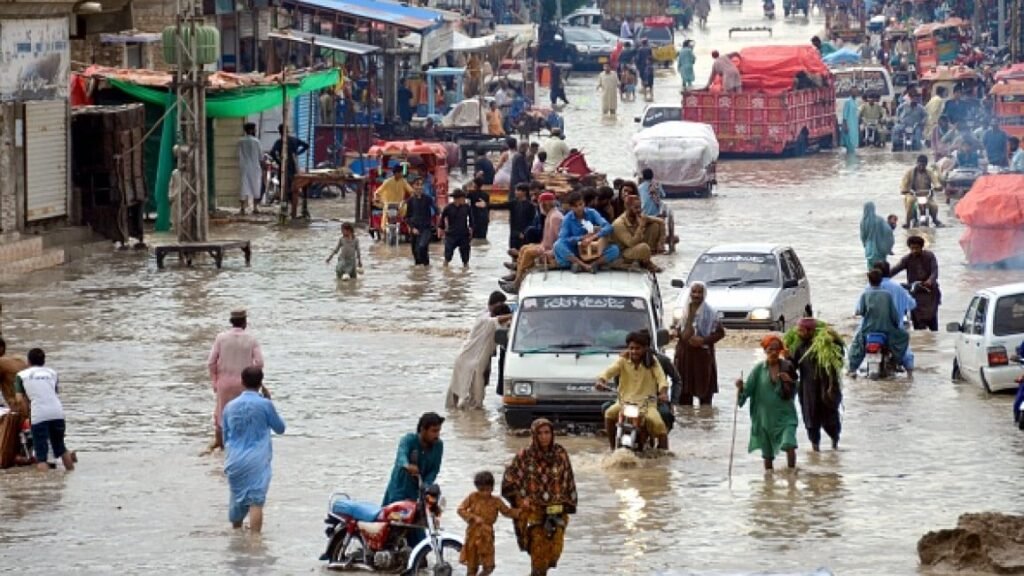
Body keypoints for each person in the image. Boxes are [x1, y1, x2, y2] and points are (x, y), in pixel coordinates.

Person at [501, 418, 577, 576]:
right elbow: (508, 482)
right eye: (540, 433)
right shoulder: (525, 455)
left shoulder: (560, 453)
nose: (544, 437)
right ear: (534, 435)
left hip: (557, 511)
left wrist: (568, 502)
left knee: (553, 555)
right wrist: (522, 499)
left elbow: (568, 478)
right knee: (539, 559)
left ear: (552, 434)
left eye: (547, 432)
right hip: (535, 514)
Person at [222, 367, 284, 532]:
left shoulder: (229, 407)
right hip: (257, 461)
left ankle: (237, 538)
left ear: (242, 382)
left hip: (234, 460)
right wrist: (270, 402)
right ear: (260, 383)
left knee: (237, 501)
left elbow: (225, 436)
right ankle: (255, 543)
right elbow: (280, 428)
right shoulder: (265, 404)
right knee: (256, 502)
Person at [596, 330, 670, 450]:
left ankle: (664, 453)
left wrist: (663, 392)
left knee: (658, 424)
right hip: (624, 402)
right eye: (631, 348)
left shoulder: (652, 362)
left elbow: (661, 379)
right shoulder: (622, 360)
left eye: (638, 348)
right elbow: (610, 371)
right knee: (609, 414)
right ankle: (612, 448)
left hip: (647, 405)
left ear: (645, 348)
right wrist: (601, 380)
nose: (634, 351)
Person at [734, 335, 799, 472]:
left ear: (781, 351)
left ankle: (792, 478)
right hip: (764, 419)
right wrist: (740, 387)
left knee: (790, 443)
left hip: (786, 416)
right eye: (770, 349)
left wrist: (789, 381)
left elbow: (798, 388)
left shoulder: (787, 367)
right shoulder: (758, 370)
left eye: (776, 349)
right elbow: (747, 390)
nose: (774, 352)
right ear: (765, 351)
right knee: (767, 456)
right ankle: (768, 482)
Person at [207, 309, 264, 451]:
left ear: (231, 322)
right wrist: (253, 378)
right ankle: (241, 442)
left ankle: (220, 444)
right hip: (244, 384)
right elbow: (260, 362)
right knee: (243, 413)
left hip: (224, 383)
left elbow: (211, 362)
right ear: (245, 322)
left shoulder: (221, 338)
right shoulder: (251, 339)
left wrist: (215, 381)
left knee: (221, 412)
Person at [14, 348, 75, 472]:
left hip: (39, 415)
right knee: (61, 448)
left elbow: (19, 399)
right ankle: (71, 475)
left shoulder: (21, 375)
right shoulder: (52, 373)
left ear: (28, 361)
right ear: (44, 361)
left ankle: (44, 488)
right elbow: (54, 392)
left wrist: (26, 413)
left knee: (41, 457)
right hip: (57, 413)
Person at [788, 319, 843, 451]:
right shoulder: (799, 347)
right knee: (811, 421)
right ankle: (815, 449)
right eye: (798, 330)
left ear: (811, 331)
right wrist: (786, 359)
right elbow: (792, 367)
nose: (799, 333)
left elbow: (839, 359)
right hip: (808, 390)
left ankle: (834, 444)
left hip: (826, 389)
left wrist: (834, 340)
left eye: (801, 330)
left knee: (831, 419)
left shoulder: (826, 345)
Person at [446, 304, 512, 409]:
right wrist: (513, 315)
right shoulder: (485, 321)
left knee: (475, 395)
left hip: (474, 361)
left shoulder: (495, 326)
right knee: (457, 388)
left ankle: (464, 414)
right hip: (466, 358)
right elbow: (496, 320)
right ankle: (456, 415)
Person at [848, 268, 912, 373]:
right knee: (904, 336)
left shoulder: (865, 295)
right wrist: (896, 324)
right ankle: (896, 361)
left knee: (857, 345)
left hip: (868, 329)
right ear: (881, 280)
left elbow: (862, 311)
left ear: (869, 281)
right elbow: (894, 314)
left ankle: (852, 369)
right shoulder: (887, 295)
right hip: (887, 329)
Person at [674, 281, 726, 406]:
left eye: (699, 292)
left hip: (703, 358)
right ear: (690, 293)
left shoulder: (711, 313)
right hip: (685, 357)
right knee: (684, 397)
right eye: (694, 291)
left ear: (704, 294)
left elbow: (720, 333)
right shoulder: (683, 311)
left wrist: (703, 340)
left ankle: (705, 423)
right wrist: (681, 335)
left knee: (705, 397)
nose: (696, 295)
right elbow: (676, 330)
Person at [458, 471, 520, 576]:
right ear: (477, 488)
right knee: (472, 568)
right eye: (481, 490)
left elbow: (507, 512)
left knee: (489, 567)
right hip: (472, 535)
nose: (484, 493)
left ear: (492, 487)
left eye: (487, 489)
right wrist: (473, 517)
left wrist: (521, 512)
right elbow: (460, 510)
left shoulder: (496, 501)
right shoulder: (472, 497)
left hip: (487, 537)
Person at [503, 192, 564, 291]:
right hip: (544, 246)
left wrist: (550, 252)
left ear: (545, 204)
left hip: (550, 250)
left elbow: (559, 239)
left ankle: (517, 283)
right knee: (524, 248)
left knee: (528, 252)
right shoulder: (550, 214)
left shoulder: (555, 217)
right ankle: (517, 274)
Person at [383, 412, 445, 506]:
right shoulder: (409, 440)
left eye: (438, 431)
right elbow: (401, 455)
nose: (437, 435)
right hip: (399, 488)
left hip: (418, 491)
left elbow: (434, 470)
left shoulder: (438, 445)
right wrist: (407, 466)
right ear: (423, 430)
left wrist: (427, 485)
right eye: (434, 431)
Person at [553, 191, 621, 273]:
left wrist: (593, 237)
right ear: (571, 207)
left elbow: (608, 227)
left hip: (593, 249)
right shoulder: (567, 219)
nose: (579, 208)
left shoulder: (592, 213)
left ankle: (594, 264)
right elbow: (563, 238)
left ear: (584, 203)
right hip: (576, 250)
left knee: (615, 249)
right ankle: (583, 265)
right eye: (575, 206)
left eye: (580, 204)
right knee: (558, 245)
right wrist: (580, 239)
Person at [890, 235, 942, 331]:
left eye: (917, 248)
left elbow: (935, 272)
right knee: (917, 323)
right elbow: (894, 270)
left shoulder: (930, 256)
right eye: (912, 248)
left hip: (930, 293)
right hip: (915, 293)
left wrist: (930, 281)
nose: (914, 250)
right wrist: (881, 278)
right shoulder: (907, 259)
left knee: (932, 321)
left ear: (921, 247)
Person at [611, 194, 663, 272]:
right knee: (644, 247)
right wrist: (641, 226)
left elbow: (661, 222)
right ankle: (645, 261)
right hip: (622, 253)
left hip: (634, 246)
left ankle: (645, 260)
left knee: (655, 226)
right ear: (627, 207)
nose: (639, 210)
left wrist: (661, 242)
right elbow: (631, 243)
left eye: (640, 207)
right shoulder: (619, 223)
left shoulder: (639, 216)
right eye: (636, 208)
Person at [270, 123, 309, 218]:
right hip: (294, 168)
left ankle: (285, 210)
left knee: (284, 190)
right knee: (294, 189)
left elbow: (272, 152)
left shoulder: (279, 142)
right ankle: (293, 211)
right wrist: (297, 153)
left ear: (279, 132)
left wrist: (279, 162)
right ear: (287, 130)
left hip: (284, 168)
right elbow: (306, 145)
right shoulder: (294, 140)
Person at [899, 155, 944, 228]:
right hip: (912, 195)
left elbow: (936, 182)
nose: (921, 167)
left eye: (924, 165)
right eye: (920, 164)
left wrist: (938, 187)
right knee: (910, 202)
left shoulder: (929, 172)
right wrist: (904, 190)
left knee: (934, 206)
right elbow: (903, 184)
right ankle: (907, 222)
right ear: (917, 163)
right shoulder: (909, 172)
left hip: (927, 196)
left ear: (926, 165)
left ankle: (935, 220)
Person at [405, 178, 437, 266]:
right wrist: (412, 228)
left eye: (421, 185)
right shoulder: (410, 201)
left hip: (426, 229)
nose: (419, 187)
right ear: (413, 186)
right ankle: (421, 274)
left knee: (422, 246)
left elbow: (436, 210)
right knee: (415, 253)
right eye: (417, 185)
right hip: (415, 229)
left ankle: (426, 266)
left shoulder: (428, 199)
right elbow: (407, 217)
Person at [374, 167, 414, 234]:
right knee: (385, 213)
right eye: (401, 172)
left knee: (407, 210)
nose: (402, 174)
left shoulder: (403, 181)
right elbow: (378, 191)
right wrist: (377, 198)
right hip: (389, 204)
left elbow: (411, 191)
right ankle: (384, 229)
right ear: (396, 173)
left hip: (400, 205)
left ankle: (409, 227)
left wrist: (410, 198)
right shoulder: (387, 181)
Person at [441, 189, 473, 267]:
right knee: (447, 256)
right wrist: (441, 230)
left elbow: (472, 219)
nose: (464, 200)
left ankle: (465, 272)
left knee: (465, 257)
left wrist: (471, 229)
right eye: (463, 198)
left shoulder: (467, 207)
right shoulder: (448, 208)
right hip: (451, 234)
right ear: (458, 198)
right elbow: (442, 219)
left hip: (464, 234)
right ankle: (445, 270)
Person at [860, 201, 894, 270]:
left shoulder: (863, 222)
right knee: (881, 268)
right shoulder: (880, 220)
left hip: (869, 248)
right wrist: (888, 247)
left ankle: (871, 280)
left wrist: (865, 245)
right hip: (880, 247)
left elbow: (863, 236)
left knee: (871, 268)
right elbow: (888, 232)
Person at [237, 123, 262, 215]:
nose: (255, 130)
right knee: (256, 186)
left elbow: (239, 155)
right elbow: (261, 156)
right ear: (251, 130)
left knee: (244, 186)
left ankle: (242, 208)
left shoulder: (240, 141)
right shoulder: (257, 142)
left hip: (244, 167)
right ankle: (255, 207)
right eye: (255, 129)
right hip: (255, 167)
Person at [509, 183, 536, 251]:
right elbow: (500, 206)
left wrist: (524, 232)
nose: (515, 192)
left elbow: (532, 221)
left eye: (518, 190)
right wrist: (487, 205)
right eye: (516, 190)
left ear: (524, 192)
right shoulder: (513, 203)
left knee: (522, 252)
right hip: (514, 233)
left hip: (523, 234)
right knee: (512, 251)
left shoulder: (530, 206)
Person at [841, 87, 861, 152]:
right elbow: (844, 115)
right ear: (851, 92)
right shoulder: (848, 102)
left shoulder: (855, 102)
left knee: (854, 145)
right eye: (853, 91)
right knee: (850, 144)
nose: (855, 93)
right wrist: (845, 126)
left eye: (856, 91)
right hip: (849, 126)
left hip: (854, 126)